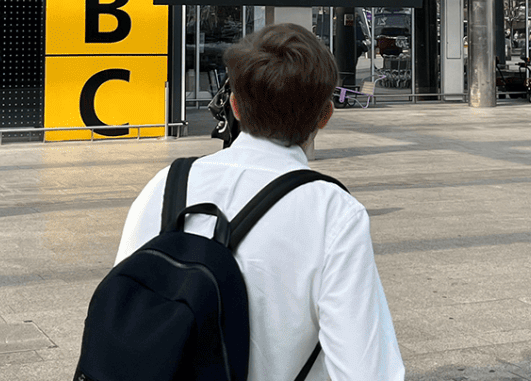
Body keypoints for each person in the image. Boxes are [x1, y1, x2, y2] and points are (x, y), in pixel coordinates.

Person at [115, 23, 404, 380]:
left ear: (234, 106)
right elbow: (366, 369)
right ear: (325, 116)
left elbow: (123, 310)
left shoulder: (165, 185)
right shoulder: (333, 212)